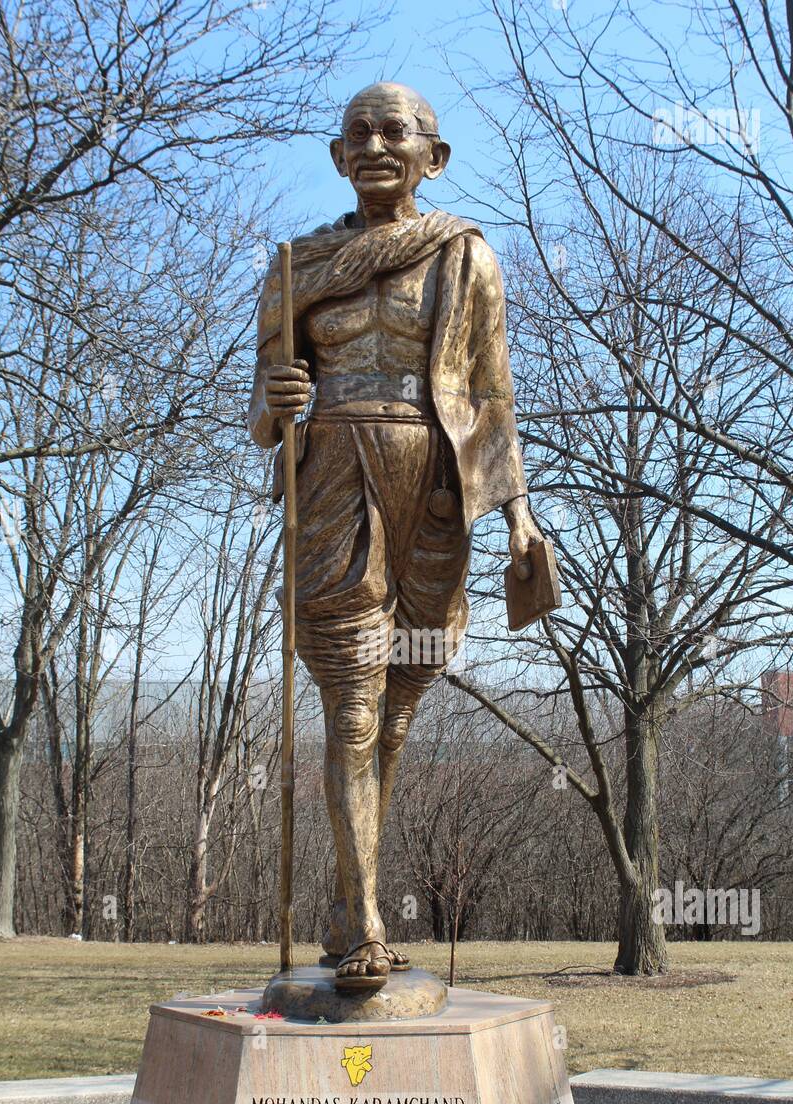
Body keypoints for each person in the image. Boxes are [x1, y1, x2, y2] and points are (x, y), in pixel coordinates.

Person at [249, 82, 542, 986]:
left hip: (436, 492)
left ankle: (346, 898)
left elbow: (492, 395)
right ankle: (368, 919)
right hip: (334, 482)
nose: (376, 144)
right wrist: (279, 402)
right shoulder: (297, 265)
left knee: (401, 709)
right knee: (353, 702)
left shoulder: (465, 256)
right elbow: (263, 399)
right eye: (358, 133)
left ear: (432, 155)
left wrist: (520, 513)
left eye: (396, 130)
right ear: (339, 157)